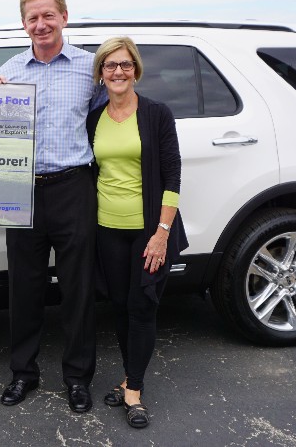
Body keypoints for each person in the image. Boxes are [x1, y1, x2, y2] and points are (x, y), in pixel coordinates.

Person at [0, 0, 102, 413]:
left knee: (77, 289)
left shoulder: (88, 68)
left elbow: (104, 116)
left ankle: (78, 378)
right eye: (32, 18)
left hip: (73, 187)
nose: (41, 24)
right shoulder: (10, 70)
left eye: (48, 16)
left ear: (64, 17)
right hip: (23, 190)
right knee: (25, 287)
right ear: (24, 24)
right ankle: (23, 374)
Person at [87, 37, 188, 428]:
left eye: (125, 64)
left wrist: (162, 233)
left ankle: (135, 390)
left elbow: (172, 176)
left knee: (143, 306)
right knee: (120, 305)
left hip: (148, 230)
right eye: (110, 65)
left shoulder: (157, 114)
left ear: (136, 69)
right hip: (107, 229)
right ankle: (130, 376)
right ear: (100, 73)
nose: (118, 72)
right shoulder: (94, 117)